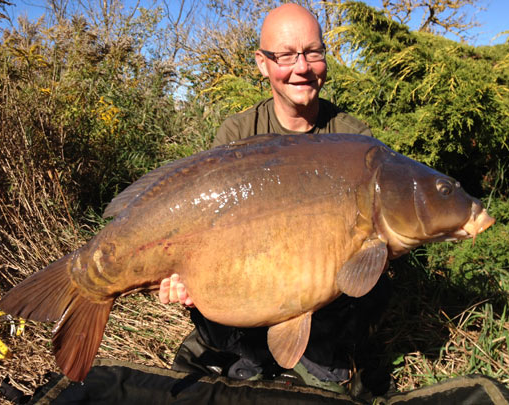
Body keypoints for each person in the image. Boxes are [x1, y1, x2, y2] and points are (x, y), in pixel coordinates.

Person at [159, 3, 391, 396]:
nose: (301, 67)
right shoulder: (238, 133)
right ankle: (248, 352)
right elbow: (210, 227)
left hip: (321, 290)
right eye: (285, 55)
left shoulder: (352, 138)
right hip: (251, 275)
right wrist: (181, 273)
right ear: (262, 63)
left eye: (312, 52)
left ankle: (315, 354)